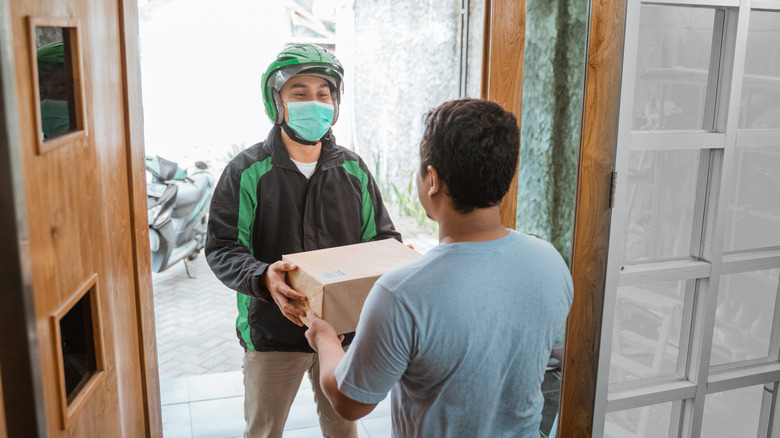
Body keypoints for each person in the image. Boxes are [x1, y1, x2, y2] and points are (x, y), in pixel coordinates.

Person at [305, 98, 574, 437]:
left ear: (432, 179)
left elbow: (350, 402)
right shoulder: (549, 261)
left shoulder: (401, 294)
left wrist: (325, 338)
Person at [205, 43, 401, 438]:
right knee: (264, 429)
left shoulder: (353, 170)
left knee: (344, 430)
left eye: (323, 93)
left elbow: (382, 238)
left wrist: (397, 261)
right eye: (300, 93)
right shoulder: (246, 171)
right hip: (272, 334)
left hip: (342, 333)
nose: (314, 102)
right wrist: (263, 278)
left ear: (335, 101)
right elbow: (223, 247)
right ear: (277, 102)